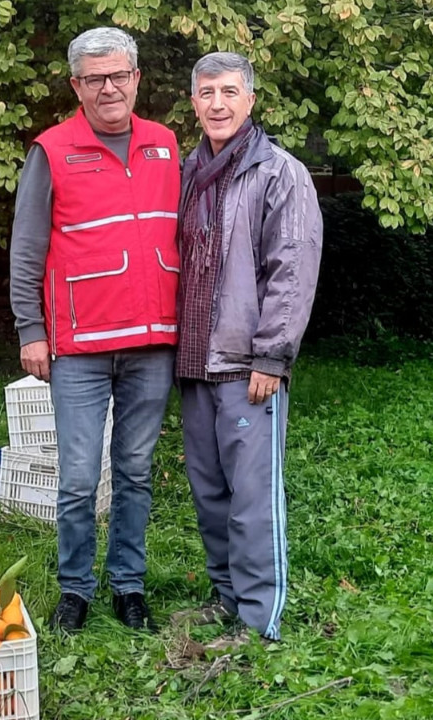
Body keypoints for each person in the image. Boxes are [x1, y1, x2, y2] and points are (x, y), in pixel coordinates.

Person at [8, 26, 182, 632]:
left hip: (152, 341)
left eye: (119, 76)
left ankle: (129, 585)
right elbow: (27, 249)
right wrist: (31, 329)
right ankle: (76, 588)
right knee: (80, 478)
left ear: (136, 79)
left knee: (135, 472)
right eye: (94, 78)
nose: (108, 88)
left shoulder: (167, 145)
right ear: (76, 85)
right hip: (78, 346)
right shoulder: (51, 150)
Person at [174, 51, 322, 644]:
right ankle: (226, 596)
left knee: (251, 498)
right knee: (210, 493)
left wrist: (272, 355)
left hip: (246, 364)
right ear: (193, 104)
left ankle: (260, 619)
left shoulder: (279, 173)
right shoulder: (188, 173)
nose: (218, 103)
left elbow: (291, 269)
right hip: (193, 360)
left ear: (251, 100)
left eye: (230, 92)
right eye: (207, 93)